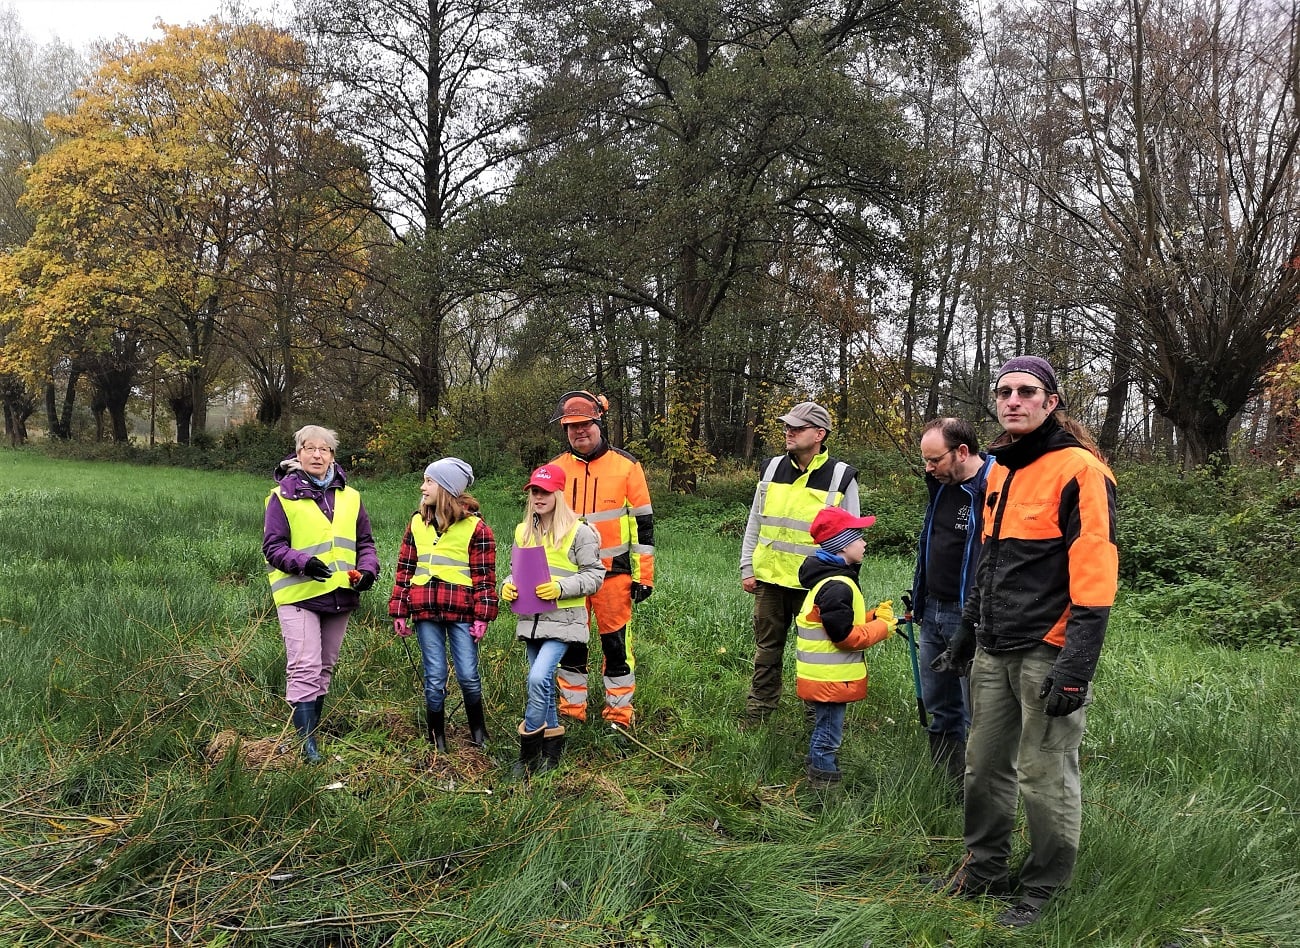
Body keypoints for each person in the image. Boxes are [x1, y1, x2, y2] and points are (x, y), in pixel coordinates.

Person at [929, 356, 1118, 929]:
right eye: (1005, 391)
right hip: (993, 644)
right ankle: (983, 867)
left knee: (1046, 773)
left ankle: (1044, 887)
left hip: (1049, 648)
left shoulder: (1081, 471)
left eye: (1027, 392)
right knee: (982, 767)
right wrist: (966, 632)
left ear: (1051, 402)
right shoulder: (1002, 471)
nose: (1014, 400)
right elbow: (987, 561)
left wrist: (1076, 663)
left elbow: (1095, 571)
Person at [262, 425, 380, 763]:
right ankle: (307, 745)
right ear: (297, 454)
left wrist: (368, 571)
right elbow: (273, 547)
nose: (317, 455)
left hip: (340, 593)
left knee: (325, 666)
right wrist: (303, 563)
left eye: (324, 449)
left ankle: (312, 727)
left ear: (332, 455)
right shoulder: (281, 496)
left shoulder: (351, 496)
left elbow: (365, 544)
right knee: (305, 664)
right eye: (310, 448)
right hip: (298, 594)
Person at [739, 400, 860, 724]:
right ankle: (758, 713)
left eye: (797, 427)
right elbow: (755, 521)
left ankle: (817, 719)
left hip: (816, 587)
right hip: (770, 579)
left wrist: (847, 585)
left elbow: (851, 537)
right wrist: (747, 567)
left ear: (820, 434)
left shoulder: (841, 476)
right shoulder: (771, 468)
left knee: (819, 655)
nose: (788, 432)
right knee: (767, 651)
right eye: (787, 426)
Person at [547, 391, 654, 727]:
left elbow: (643, 526)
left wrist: (645, 576)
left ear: (598, 423)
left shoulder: (627, 466)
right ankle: (571, 712)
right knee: (571, 647)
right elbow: (540, 526)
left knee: (616, 647)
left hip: (614, 576)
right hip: (569, 579)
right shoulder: (554, 470)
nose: (579, 432)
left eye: (585, 424)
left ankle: (619, 716)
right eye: (572, 427)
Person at [501, 464, 606, 775]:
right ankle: (551, 753)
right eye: (534, 491)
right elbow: (515, 570)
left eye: (544, 491)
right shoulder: (524, 531)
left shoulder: (580, 531)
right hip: (531, 620)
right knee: (543, 685)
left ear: (559, 494)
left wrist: (561, 588)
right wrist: (507, 585)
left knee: (537, 678)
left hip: (565, 620)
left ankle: (527, 759)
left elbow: (595, 575)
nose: (538, 497)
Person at [387, 458, 498, 752]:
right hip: (424, 611)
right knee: (434, 677)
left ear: (446, 488)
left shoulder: (478, 529)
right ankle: (437, 737)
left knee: (468, 676)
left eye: (429, 481)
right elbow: (405, 569)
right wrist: (400, 609)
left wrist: (483, 616)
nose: (422, 487)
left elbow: (485, 578)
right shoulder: (416, 523)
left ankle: (478, 731)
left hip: (462, 613)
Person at [910, 417, 994, 788]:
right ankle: (948, 788)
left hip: (972, 617)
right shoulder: (940, 486)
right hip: (932, 610)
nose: (928, 469)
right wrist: (919, 596)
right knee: (939, 705)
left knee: (979, 713)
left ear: (962, 452)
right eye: (925, 461)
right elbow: (929, 542)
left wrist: (974, 619)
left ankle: (981, 795)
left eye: (934, 460)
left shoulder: (994, 486)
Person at [796, 507, 897, 788]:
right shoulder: (838, 585)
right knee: (829, 734)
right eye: (859, 537)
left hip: (823, 676)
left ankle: (817, 768)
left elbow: (837, 622)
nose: (865, 543)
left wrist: (872, 616)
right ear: (842, 544)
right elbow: (844, 637)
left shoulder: (829, 580)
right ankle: (823, 786)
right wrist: (882, 629)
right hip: (830, 678)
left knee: (824, 729)